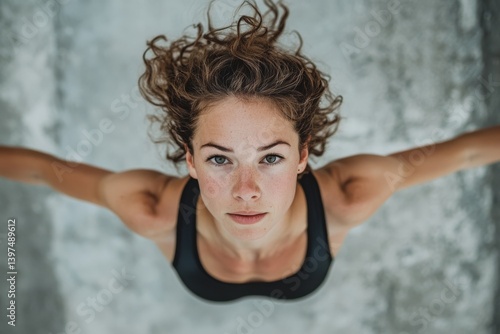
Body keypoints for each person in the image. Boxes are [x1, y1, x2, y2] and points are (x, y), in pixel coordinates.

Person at [1, 0, 499, 303]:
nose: (246, 191)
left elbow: (465, 154)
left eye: (271, 157)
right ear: (190, 160)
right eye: (220, 158)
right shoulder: (150, 208)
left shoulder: (348, 196)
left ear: (303, 155)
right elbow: (45, 172)